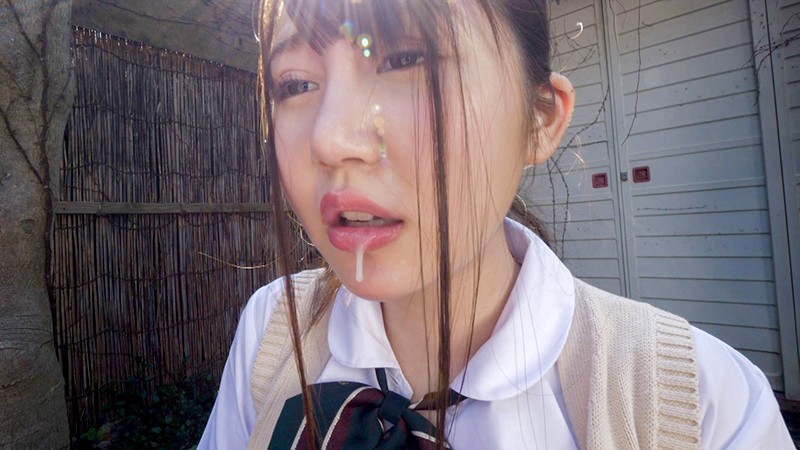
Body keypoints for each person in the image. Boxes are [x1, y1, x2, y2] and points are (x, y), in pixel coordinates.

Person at [199, 0, 794, 448]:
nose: (329, 139)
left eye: (406, 59)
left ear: (540, 119)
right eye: (296, 84)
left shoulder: (706, 409)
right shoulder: (271, 334)